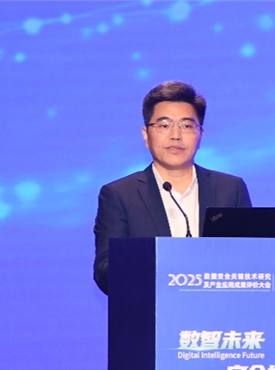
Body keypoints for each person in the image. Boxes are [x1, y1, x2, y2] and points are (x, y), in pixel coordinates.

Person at [93, 81, 252, 294]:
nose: (175, 135)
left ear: (201, 135)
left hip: (218, 310)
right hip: (151, 310)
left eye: (186, 125)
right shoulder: (119, 195)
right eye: (164, 125)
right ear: (146, 135)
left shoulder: (231, 189)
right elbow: (105, 272)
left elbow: (250, 259)